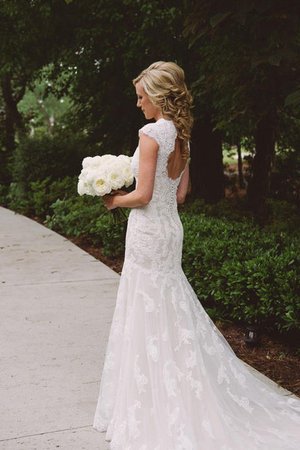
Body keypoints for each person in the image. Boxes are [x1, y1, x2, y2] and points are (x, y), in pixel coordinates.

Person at [93, 61, 300, 449]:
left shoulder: (151, 133)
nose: (138, 104)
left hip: (149, 231)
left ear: (156, 96)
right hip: (171, 231)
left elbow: (144, 194)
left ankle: (155, 402)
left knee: (147, 307)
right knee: (169, 306)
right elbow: (181, 193)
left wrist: (114, 200)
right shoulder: (182, 135)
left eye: (141, 97)